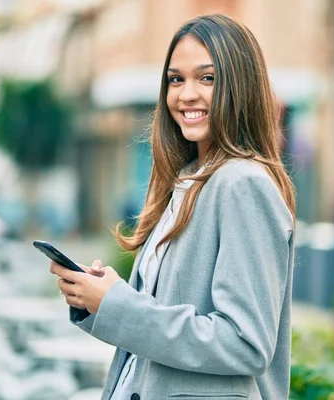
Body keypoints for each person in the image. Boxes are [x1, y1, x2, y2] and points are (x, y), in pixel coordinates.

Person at [50, 14, 296, 400]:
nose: (186, 94)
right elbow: (161, 326)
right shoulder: (187, 179)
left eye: (207, 78)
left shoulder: (242, 184)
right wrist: (99, 300)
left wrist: (120, 306)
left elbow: (245, 343)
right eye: (175, 79)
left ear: (241, 86)